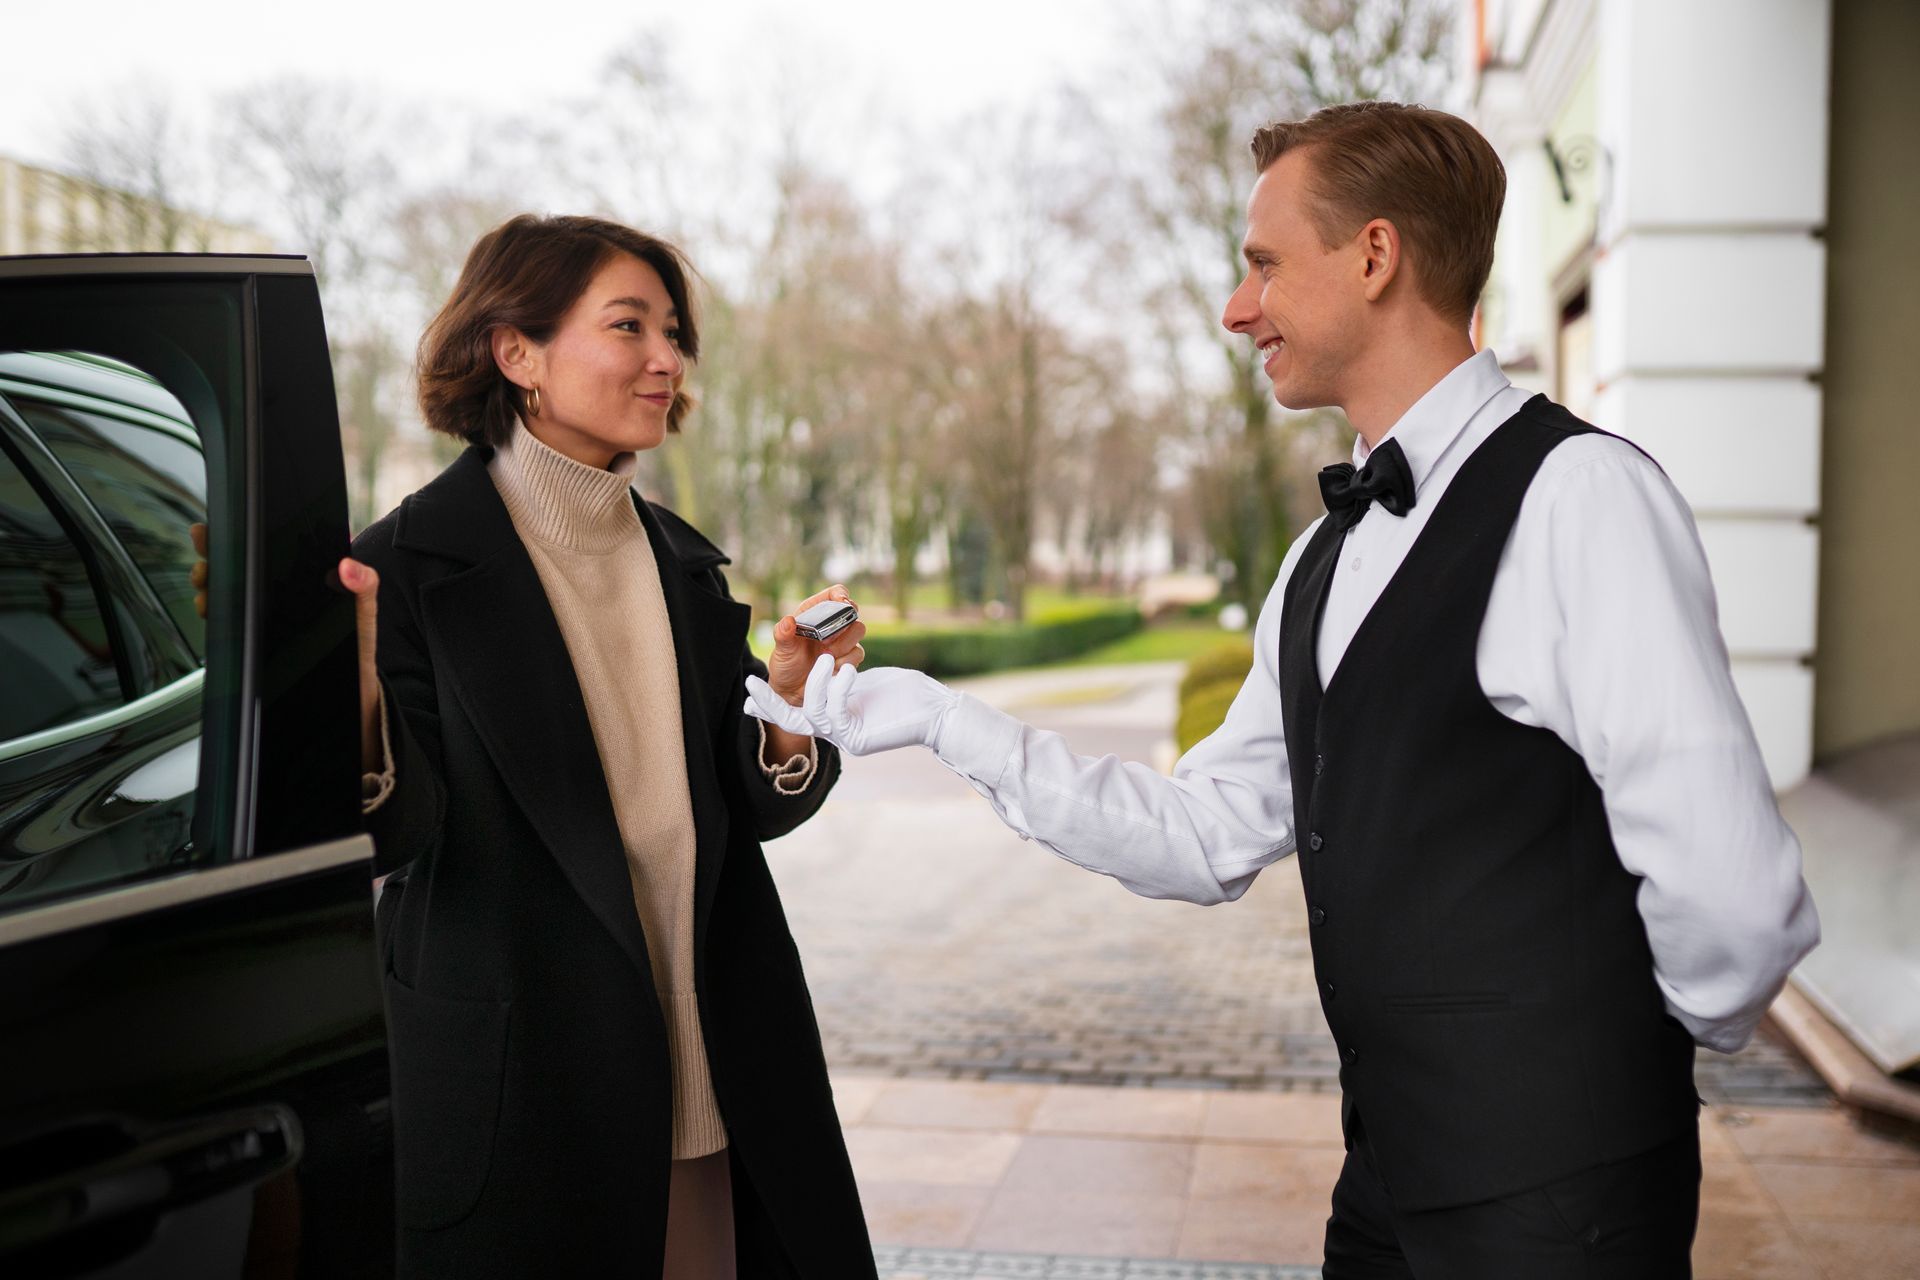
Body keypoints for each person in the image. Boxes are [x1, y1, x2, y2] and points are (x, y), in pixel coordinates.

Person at [746, 103, 1819, 1278]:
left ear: (1374, 254)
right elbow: (1206, 832)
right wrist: (952, 723)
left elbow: (1734, 891)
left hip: (1565, 1195)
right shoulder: (1323, 555)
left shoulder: (1582, 498)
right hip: (1386, 1178)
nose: (1235, 305)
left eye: (1262, 263)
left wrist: (1620, 1063)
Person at [339, 214, 877, 1279]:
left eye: (672, 331)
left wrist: (787, 701)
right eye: (628, 326)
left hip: (716, 1047)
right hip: (524, 1078)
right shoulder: (400, 568)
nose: (667, 359)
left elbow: (747, 806)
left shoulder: (683, 562)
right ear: (517, 352)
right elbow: (396, 835)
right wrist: (349, 698)